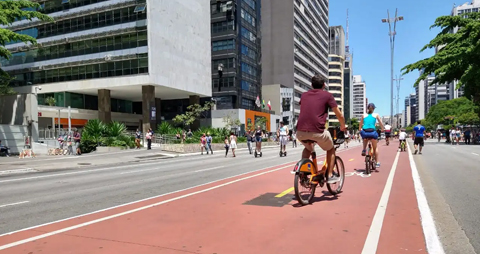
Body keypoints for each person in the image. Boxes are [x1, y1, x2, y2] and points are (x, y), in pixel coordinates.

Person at [296, 74, 346, 184]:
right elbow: (340, 115)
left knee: (308, 148)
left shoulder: (304, 95)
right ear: (324, 85)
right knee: (331, 148)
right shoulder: (327, 95)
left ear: (311, 85)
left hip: (300, 132)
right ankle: (330, 174)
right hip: (317, 131)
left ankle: (303, 173)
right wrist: (343, 126)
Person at [359, 103, 384, 168]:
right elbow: (380, 122)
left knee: (365, 138)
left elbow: (360, 124)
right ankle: (377, 162)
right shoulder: (376, 114)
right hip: (372, 132)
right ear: (373, 108)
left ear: (367, 108)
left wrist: (360, 130)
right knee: (375, 148)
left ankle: (364, 149)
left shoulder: (363, 115)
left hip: (365, 132)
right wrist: (382, 128)